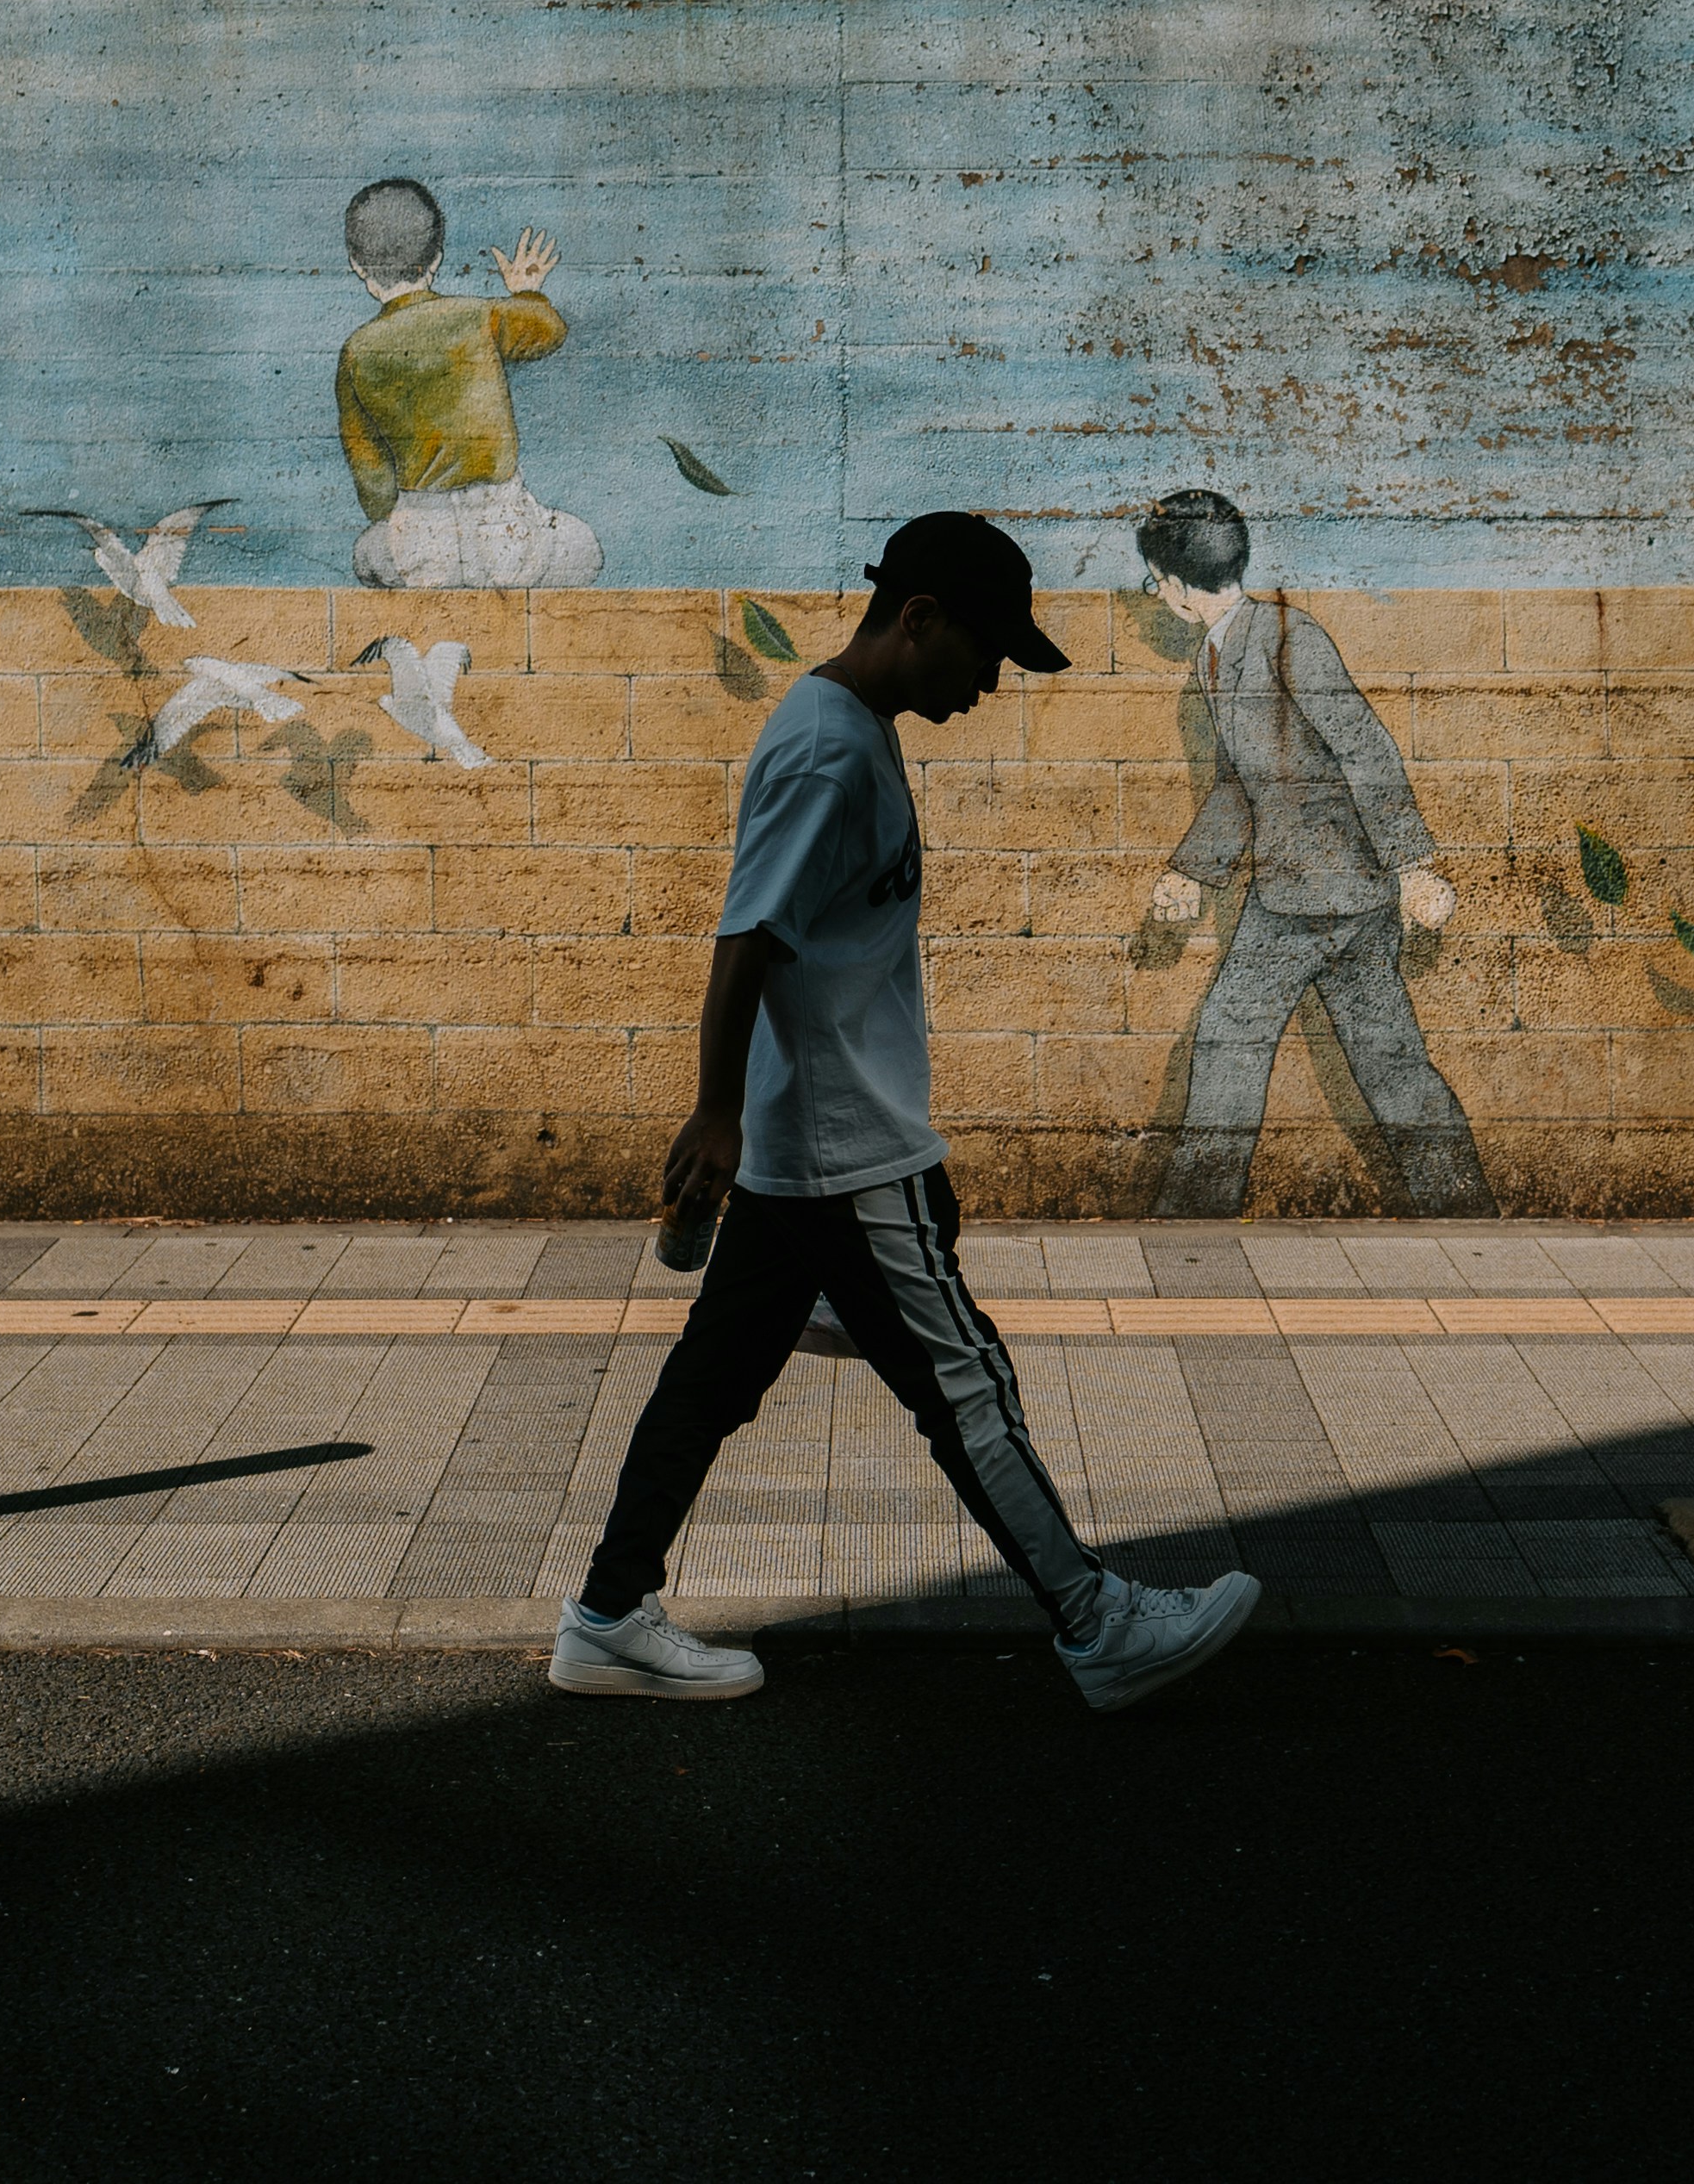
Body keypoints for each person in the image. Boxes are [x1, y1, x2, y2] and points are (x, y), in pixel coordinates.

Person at [551, 511, 1264, 1712]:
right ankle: (1097, 1623)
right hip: (846, 1151)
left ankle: (607, 1618)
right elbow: (746, 941)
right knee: (968, 1387)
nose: (990, 683)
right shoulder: (830, 752)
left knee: (710, 1384)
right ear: (917, 618)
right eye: (984, 655)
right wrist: (715, 1112)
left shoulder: (844, 725)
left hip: (808, 1149)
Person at [1142, 488, 1496, 1219]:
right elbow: (1242, 784)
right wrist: (1190, 871)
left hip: (1311, 897)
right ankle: (1465, 1212)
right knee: (1390, 1065)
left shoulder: (1285, 637)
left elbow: (1362, 744)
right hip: (1333, 896)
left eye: (1154, 579)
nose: (1154, 592)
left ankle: (1191, 1220)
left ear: (1174, 587)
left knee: (1228, 1046)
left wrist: (1414, 866)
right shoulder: (1223, 652)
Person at [333, 177, 601, 588]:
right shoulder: (477, 315)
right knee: (584, 547)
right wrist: (525, 292)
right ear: (436, 259)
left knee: (367, 554)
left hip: (422, 550)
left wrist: (403, 515)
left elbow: (372, 481)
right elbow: (549, 330)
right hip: (508, 541)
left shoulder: (356, 352)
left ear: (357, 264)